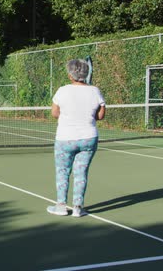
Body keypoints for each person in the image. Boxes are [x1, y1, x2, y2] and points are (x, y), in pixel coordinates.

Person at [47, 59, 105, 218]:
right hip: (89, 138)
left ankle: (61, 206)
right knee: (81, 173)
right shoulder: (95, 91)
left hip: (65, 138)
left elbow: (54, 113)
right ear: (86, 74)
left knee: (62, 172)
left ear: (70, 75)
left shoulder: (62, 91)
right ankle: (78, 208)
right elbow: (100, 115)